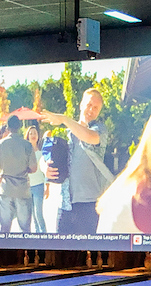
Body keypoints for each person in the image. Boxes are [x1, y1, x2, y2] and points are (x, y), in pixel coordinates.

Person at [41, 88, 111, 234]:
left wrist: (64, 119)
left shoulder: (100, 130)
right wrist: (44, 166)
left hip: (89, 205)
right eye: (89, 105)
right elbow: (46, 154)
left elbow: (89, 137)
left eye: (95, 107)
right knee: (61, 255)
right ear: (81, 105)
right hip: (65, 205)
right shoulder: (67, 133)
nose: (91, 110)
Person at [0, 114, 38, 233]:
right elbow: (34, 168)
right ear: (19, 127)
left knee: (4, 229)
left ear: (7, 128)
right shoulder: (27, 145)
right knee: (25, 229)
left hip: (6, 188)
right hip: (23, 190)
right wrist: (25, 169)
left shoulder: (0, 144)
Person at [24, 126, 48, 233]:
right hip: (28, 186)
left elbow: (45, 171)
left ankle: (44, 234)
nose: (33, 135)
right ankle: (37, 235)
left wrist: (47, 187)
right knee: (32, 214)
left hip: (39, 185)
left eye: (35, 133)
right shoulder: (25, 152)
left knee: (38, 213)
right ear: (28, 136)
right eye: (31, 133)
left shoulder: (42, 152)